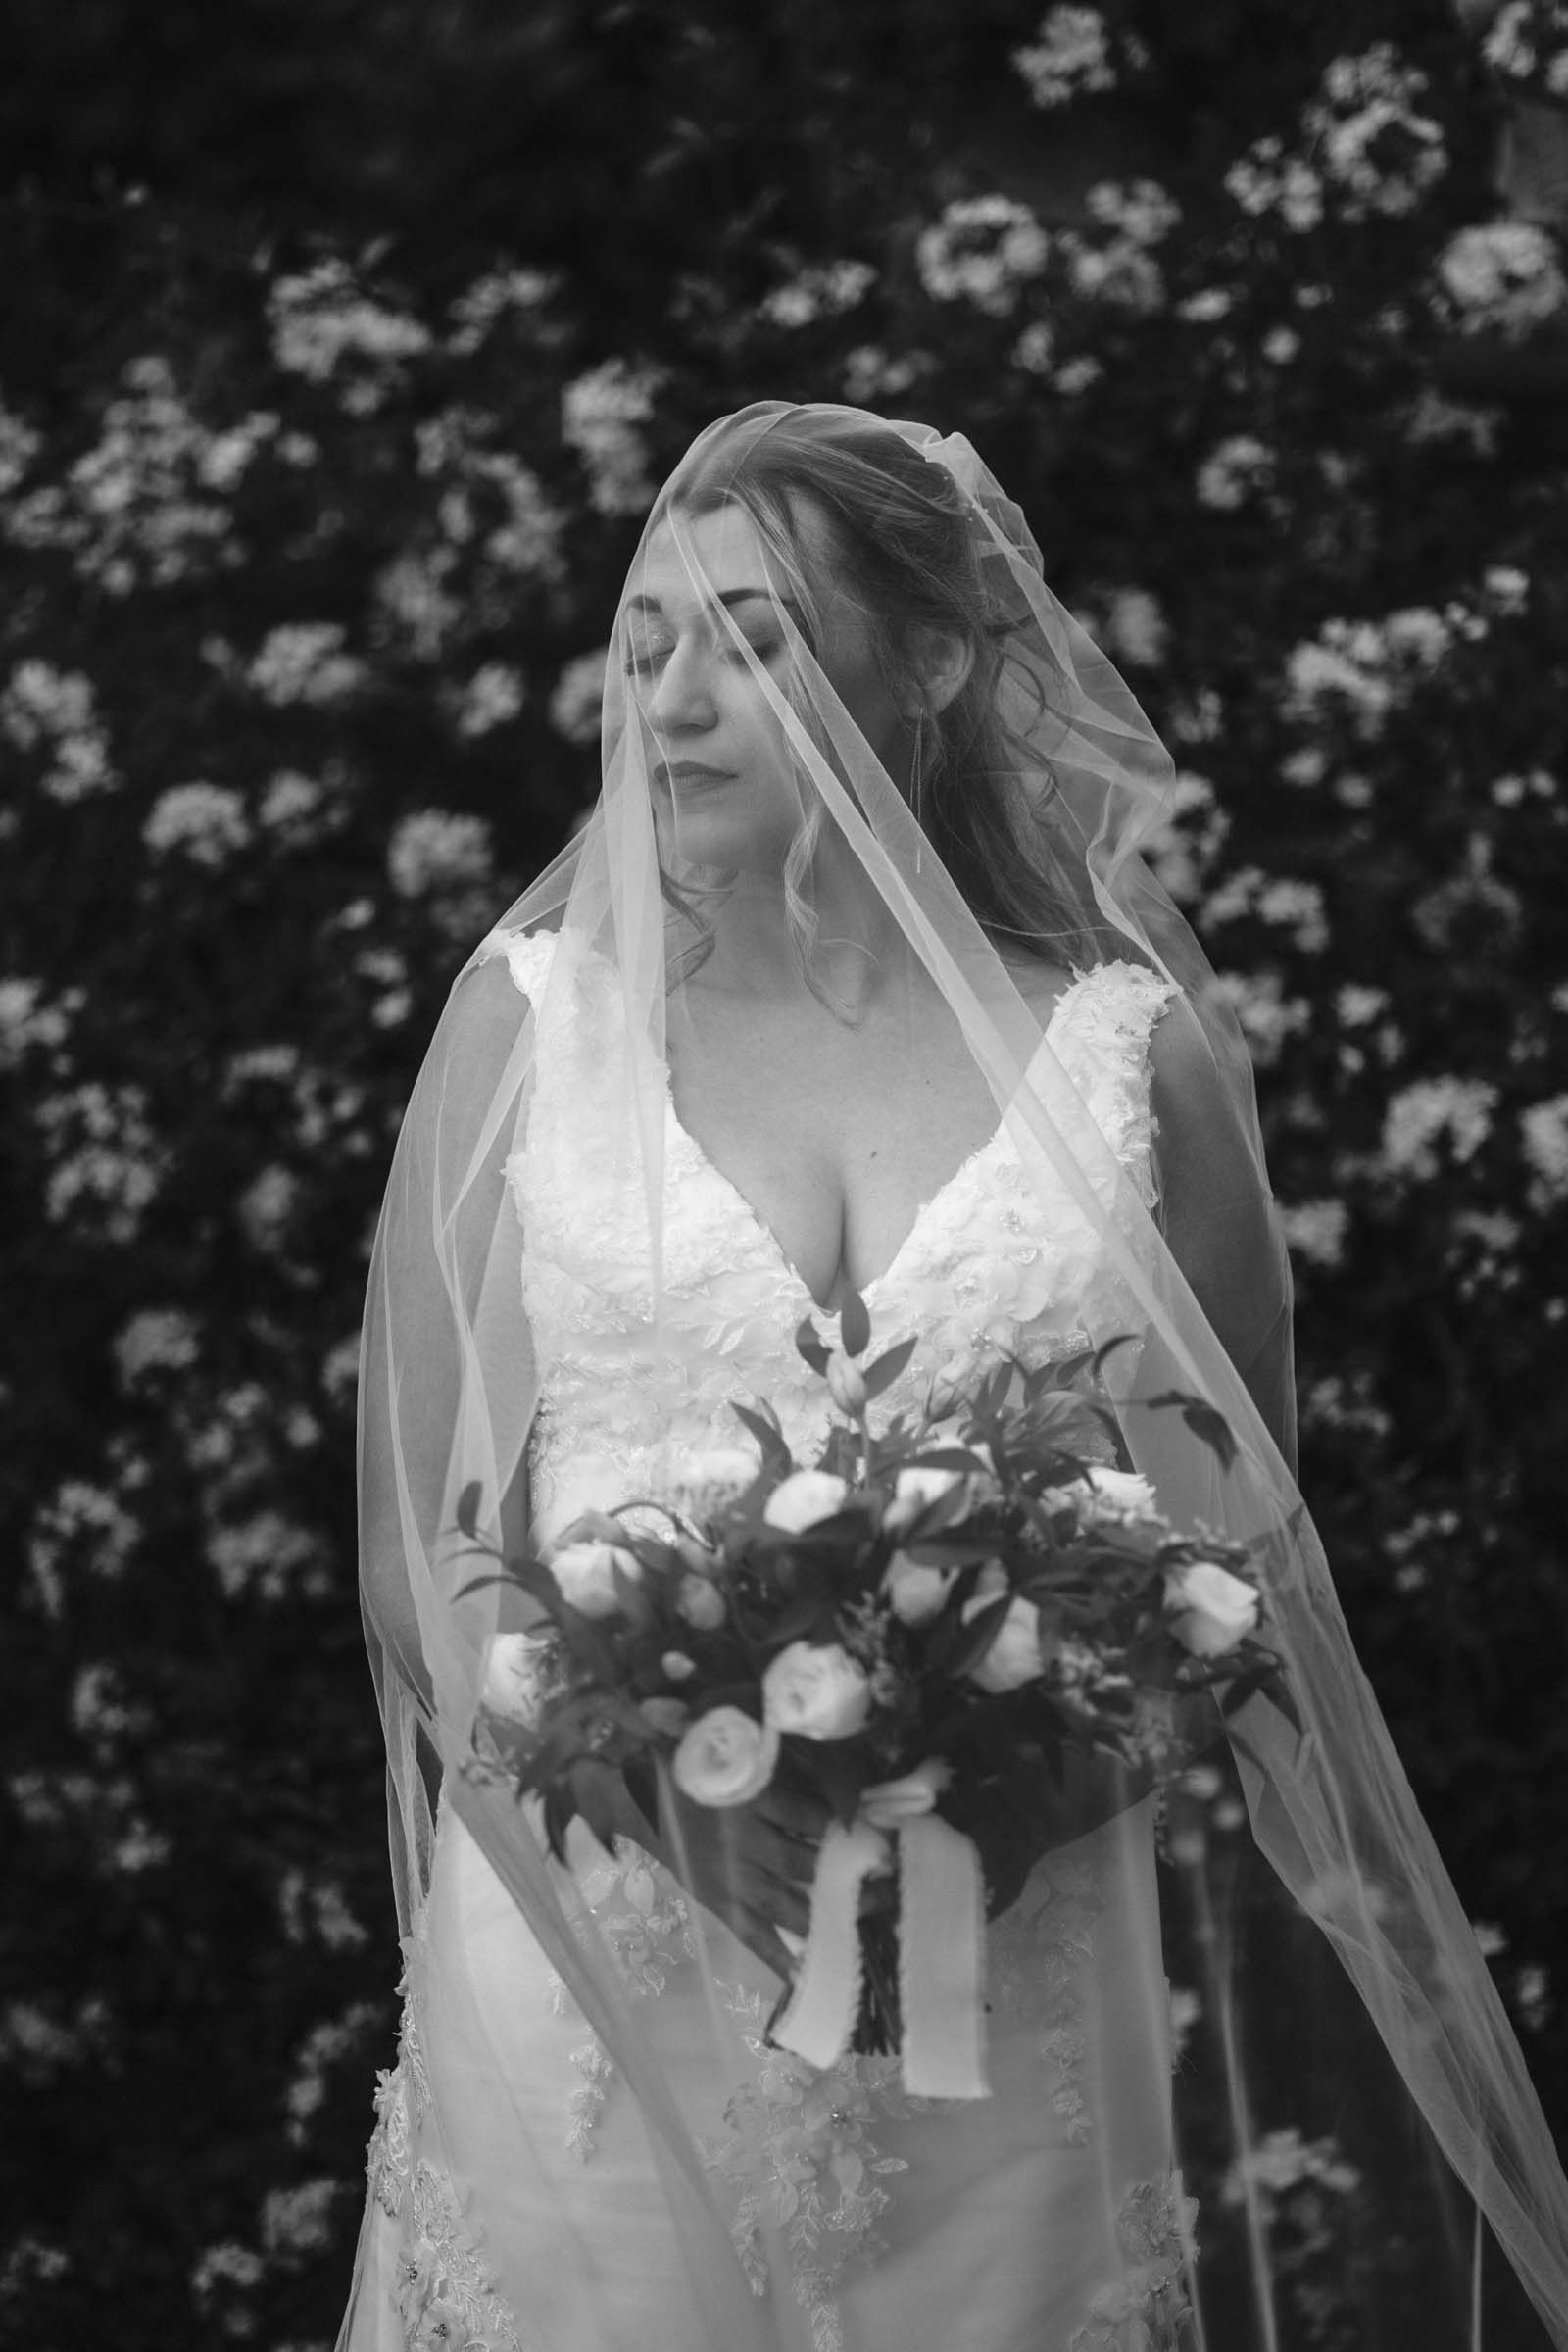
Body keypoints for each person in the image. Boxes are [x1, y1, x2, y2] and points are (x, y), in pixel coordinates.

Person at [338, 404, 1568, 2352]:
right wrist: (663, 1796)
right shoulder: (528, 1030)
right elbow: (417, 1552)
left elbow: (1227, 1552)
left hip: (1001, 1980)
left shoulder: (1122, 1054)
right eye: (643, 640)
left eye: (748, 640)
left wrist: (1029, 1782)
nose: (672, 700)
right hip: (590, 1980)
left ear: (924, 663)